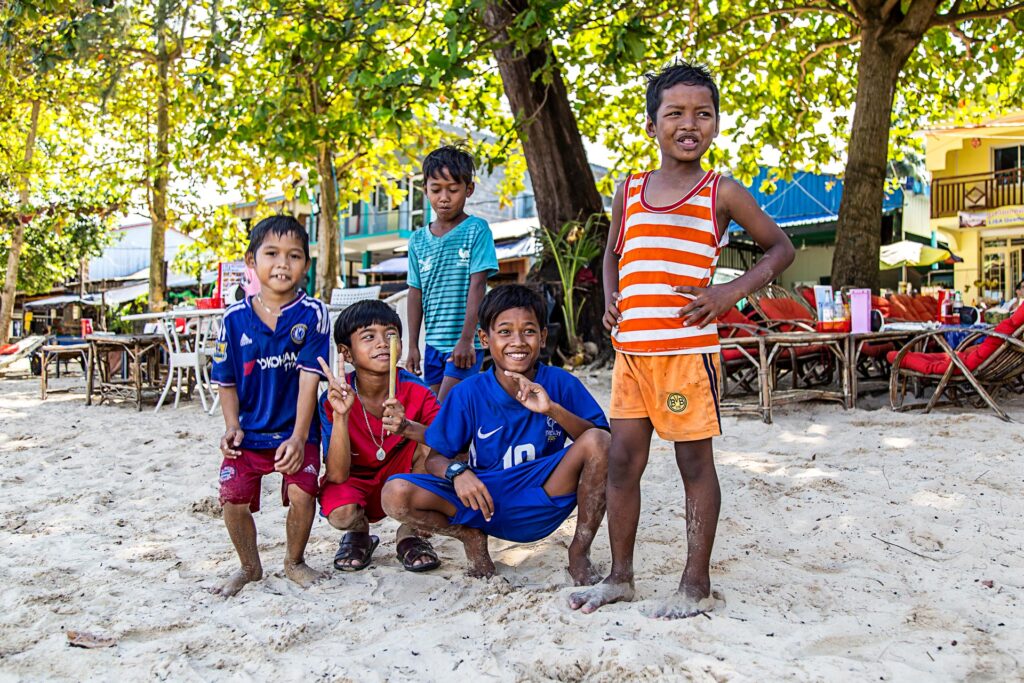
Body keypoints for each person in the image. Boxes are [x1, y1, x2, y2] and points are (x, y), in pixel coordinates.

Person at [569, 62, 795, 618]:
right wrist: (611, 295)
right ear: (652, 124)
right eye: (675, 113)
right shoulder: (630, 189)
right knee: (623, 463)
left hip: (683, 361)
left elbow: (780, 248)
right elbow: (612, 253)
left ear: (716, 124)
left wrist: (728, 293)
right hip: (633, 359)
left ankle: (695, 586)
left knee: (693, 465)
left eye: (703, 113)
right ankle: (621, 578)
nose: (689, 123)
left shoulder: (722, 192)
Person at [381, 285, 610, 584]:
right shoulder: (468, 392)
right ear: (484, 339)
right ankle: (470, 537)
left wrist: (553, 410)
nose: (518, 342)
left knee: (598, 440)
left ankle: (579, 552)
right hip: (484, 500)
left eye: (528, 331)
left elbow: (603, 442)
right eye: (505, 332)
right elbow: (437, 456)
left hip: (545, 494)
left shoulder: (560, 382)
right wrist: (458, 473)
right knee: (395, 493)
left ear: (542, 337)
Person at [211, 215, 330, 596]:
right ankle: (249, 567)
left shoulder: (313, 314)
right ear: (251, 261)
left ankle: (294, 561)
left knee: (302, 494)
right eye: (272, 254)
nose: (283, 263)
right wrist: (232, 427)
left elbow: (309, 378)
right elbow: (225, 380)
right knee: (232, 500)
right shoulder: (231, 320)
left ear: (306, 266)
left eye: (294, 256)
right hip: (249, 433)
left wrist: (299, 437)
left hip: (296, 430)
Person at [315, 299, 442, 573]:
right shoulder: (333, 398)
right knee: (341, 513)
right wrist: (341, 416)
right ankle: (359, 532)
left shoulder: (417, 390)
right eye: (369, 337)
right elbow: (336, 474)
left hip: (403, 478)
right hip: (356, 478)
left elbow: (451, 443)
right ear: (346, 353)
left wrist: (408, 426)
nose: (383, 343)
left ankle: (409, 533)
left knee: (433, 446)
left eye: (390, 335)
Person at [405, 145, 498, 403]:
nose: (444, 197)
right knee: (435, 416)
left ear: (469, 190)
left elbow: (478, 286)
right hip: (432, 345)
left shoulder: (476, 230)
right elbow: (415, 293)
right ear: (425, 190)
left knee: (444, 413)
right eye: (436, 190)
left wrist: (467, 339)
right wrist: (413, 345)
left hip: (466, 344)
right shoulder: (417, 241)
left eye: (453, 190)